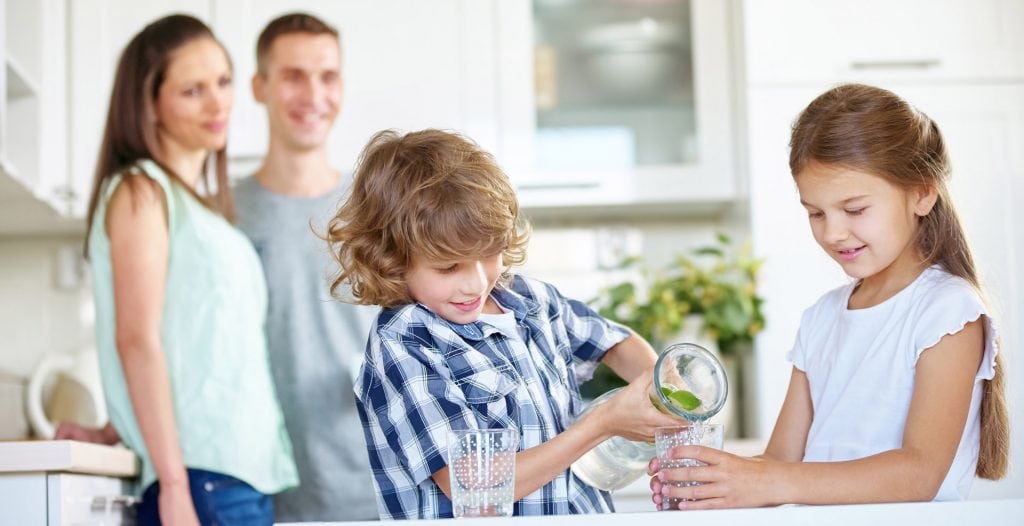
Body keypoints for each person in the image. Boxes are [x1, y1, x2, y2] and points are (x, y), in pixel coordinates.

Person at [649, 83, 1009, 509]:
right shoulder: (821, 318)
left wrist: (770, 480)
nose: (832, 232)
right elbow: (783, 461)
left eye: (854, 210)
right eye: (815, 213)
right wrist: (717, 481)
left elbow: (919, 472)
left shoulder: (947, 310)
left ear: (922, 193)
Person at [324, 128, 681, 519]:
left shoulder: (532, 300)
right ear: (392, 258)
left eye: (489, 254)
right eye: (448, 267)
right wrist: (603, 424)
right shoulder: (405, 341)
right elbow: (473, 483)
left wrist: (662, 387)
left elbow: (615, 341)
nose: (476, 282)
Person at [77, 14, 297, 525]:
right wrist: (174, 484)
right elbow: (136, 338)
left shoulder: (201, 209)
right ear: (150, 104)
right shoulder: (141, 191)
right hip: (200, 478)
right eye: (193, 90)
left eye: (222, 82)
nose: (219, 103)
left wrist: (112, 430)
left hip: (242, 473)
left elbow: (196, 346)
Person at [232, 13, 379, 522]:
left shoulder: (375, 207)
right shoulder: (221, 213)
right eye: (293, 75)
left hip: (376, 484)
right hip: (257, 491)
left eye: (328, 76)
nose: (313, 94)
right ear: (259, 86)